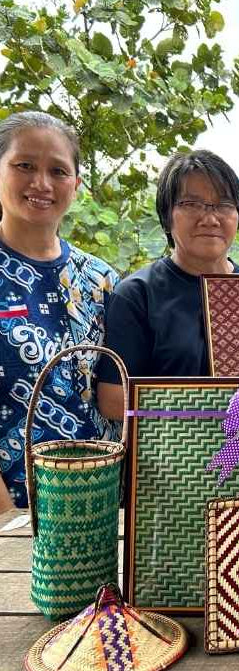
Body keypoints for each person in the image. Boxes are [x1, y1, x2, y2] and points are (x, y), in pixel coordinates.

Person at [0, 111, 118, 509]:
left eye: (58, 171)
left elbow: (119, 392)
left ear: (76, 184)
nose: (41, 183)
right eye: (25, 166)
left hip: (101, 504)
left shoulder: (101, 279)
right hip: (15, 513)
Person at [97, 150, 239, 419]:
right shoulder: (137, 295)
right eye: (191, 204)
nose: (210, 218)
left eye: (223, 204)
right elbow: (112, 399)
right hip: (169, 455)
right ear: (166, 216)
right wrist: (214, 411)